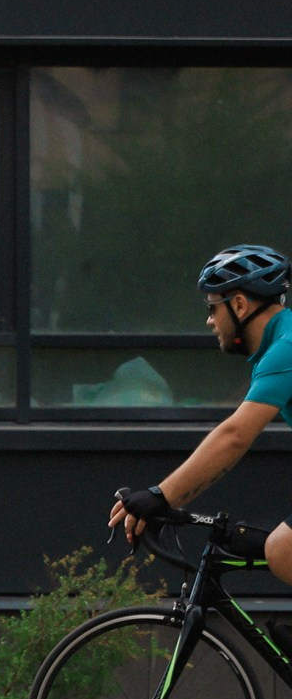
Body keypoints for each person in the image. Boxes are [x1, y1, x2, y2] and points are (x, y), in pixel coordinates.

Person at [110, 245, 292, 581]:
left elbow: (234, 436)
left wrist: (160, 496)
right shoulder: (281, 343)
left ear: (239, 304)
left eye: (212, 308)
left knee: (283, 549)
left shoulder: (287, 347)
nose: (209, 320)